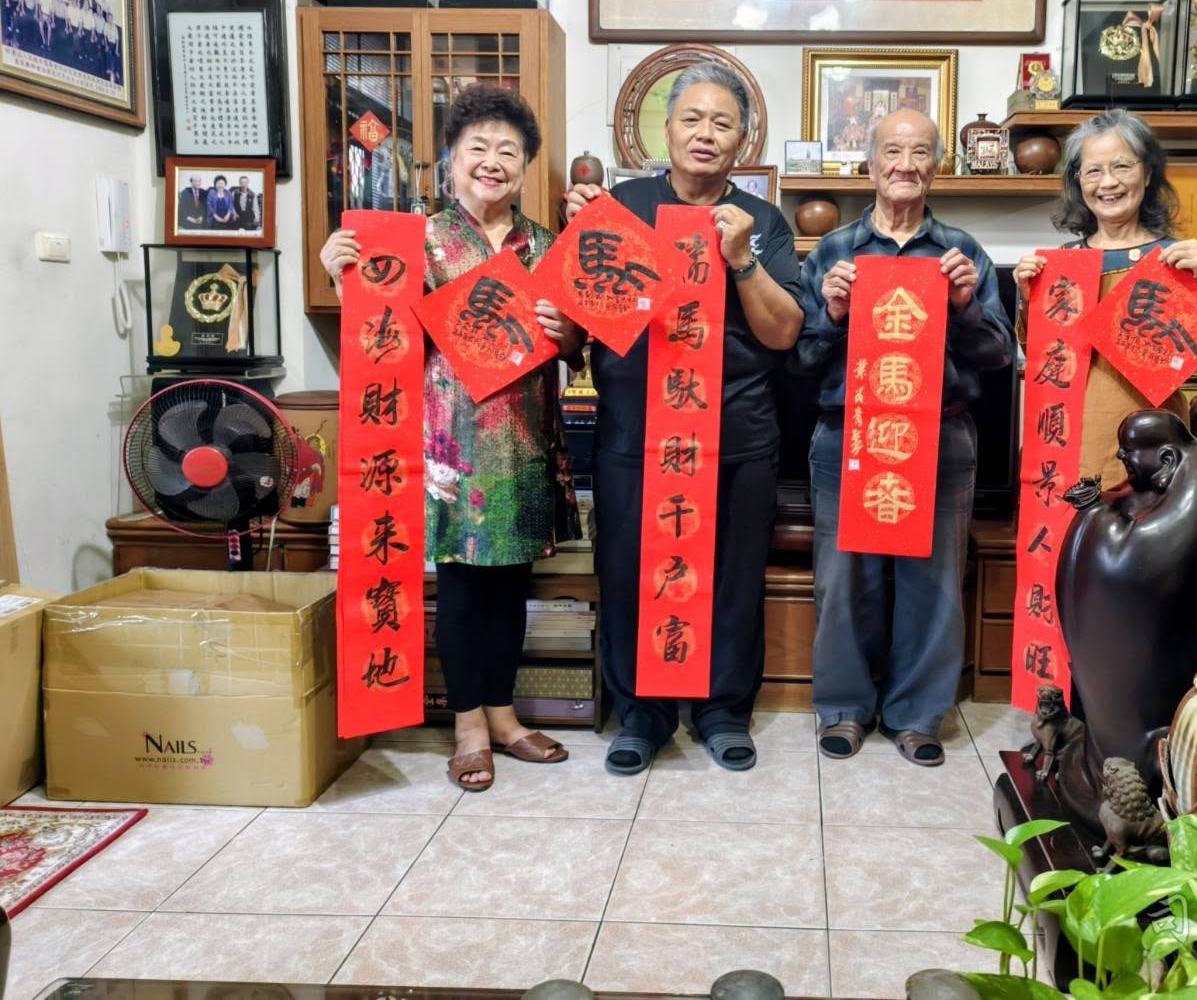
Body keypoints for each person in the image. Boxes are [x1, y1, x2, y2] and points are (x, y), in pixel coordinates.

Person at [319, 84, 585, 791]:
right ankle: (468, 726)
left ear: (525, 166)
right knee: (464, 588)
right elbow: (379, 331)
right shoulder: (415, 241)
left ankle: (504, 716)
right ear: (450, 161)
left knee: (513, 587)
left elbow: (575, 345)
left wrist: (566, 334)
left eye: (509, 151)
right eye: (478, 148)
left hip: (525, 440)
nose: (493, 162)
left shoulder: (547, 246)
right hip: (449, 446)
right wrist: (342, 276)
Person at [562, 62, 805, 776]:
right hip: (636, 435)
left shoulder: (761, 222)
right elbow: (576, 327)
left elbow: (784, 333)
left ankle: (722, 712)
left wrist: (741, 261)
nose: (705, 133)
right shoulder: (623, 207)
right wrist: (580, 239)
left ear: (742, 140)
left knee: (732, 579)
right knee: (628, 573)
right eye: (691, 119)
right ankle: (642, 714)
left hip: (736, 436)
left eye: (721, 123)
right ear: (664, 131)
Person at [794, 109, 1015, 766]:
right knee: (843, 580)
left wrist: (965, 307)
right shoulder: (834, 250)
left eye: (920, 153)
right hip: (849, 436)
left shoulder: (960, 253)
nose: (905, 165)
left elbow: (999, 355)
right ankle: (843, 707)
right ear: (870, 165)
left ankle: (917, 715)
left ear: (935, 167)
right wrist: (833, 313)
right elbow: (800, 359)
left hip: (940, 435)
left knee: (934, 582)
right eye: (892, 151)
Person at [1015, 109, 1197, 485]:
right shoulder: (1062, 265)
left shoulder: (1175, 260)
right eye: (1093, 171)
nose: (1108, 182)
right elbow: (1041, 356)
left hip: (1155, 449)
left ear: (1148, 173)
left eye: (1122, 167)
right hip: (1073, 446)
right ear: (1078, 181)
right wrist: (1028, 296)